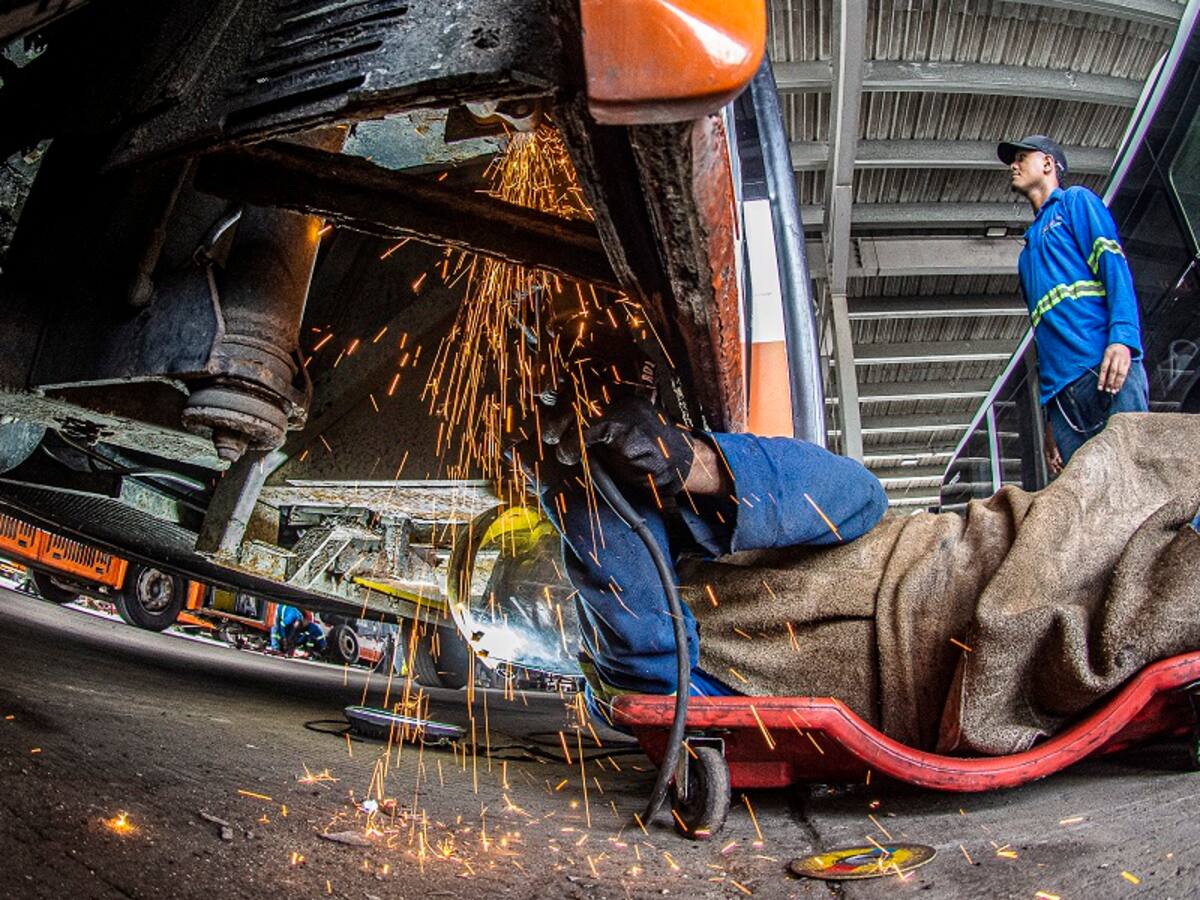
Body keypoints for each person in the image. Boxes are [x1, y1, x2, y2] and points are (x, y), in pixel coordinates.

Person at [520, 392, 1200, 756]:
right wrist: (577, 495)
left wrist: (692, 461)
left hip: (983, 547)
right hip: (971, 670)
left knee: (1134, 465)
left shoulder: (731, 522)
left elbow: (851, 495)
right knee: (1114, 619)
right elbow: (660, 685)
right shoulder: (647, 656)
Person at [1000, 134, 1148, 475]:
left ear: (1048, 164)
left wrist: (1123, 338)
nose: (1014, 165)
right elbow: (1043, 337)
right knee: (1090, 503)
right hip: (1063, 398)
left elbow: (1114, 267)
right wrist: (1050, 413)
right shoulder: (1026, 256)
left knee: (1137, 480)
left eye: (1022, 157)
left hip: (1106, 369)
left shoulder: (1076, 203)